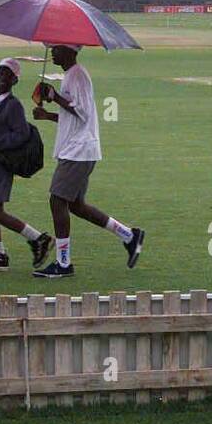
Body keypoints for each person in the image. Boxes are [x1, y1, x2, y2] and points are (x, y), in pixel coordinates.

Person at [30, 44, 145, 278]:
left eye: (57, 48)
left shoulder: (77, 76)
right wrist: (47, 115)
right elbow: (74, 116)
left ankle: (64, 264)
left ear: (70, 51)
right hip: (78, 148)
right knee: (75, 205)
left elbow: (81, 112)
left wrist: (54, 96)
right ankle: (129, 236)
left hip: (78, 150)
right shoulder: (71, 75)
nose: (52, 51)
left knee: (57, 200)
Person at [0, 57, 54, 272]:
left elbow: (21, 135)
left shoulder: (13, 105)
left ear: (15, 81)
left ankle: (38, 238)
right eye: (1, 72)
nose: (3, 77)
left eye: (8, 74)